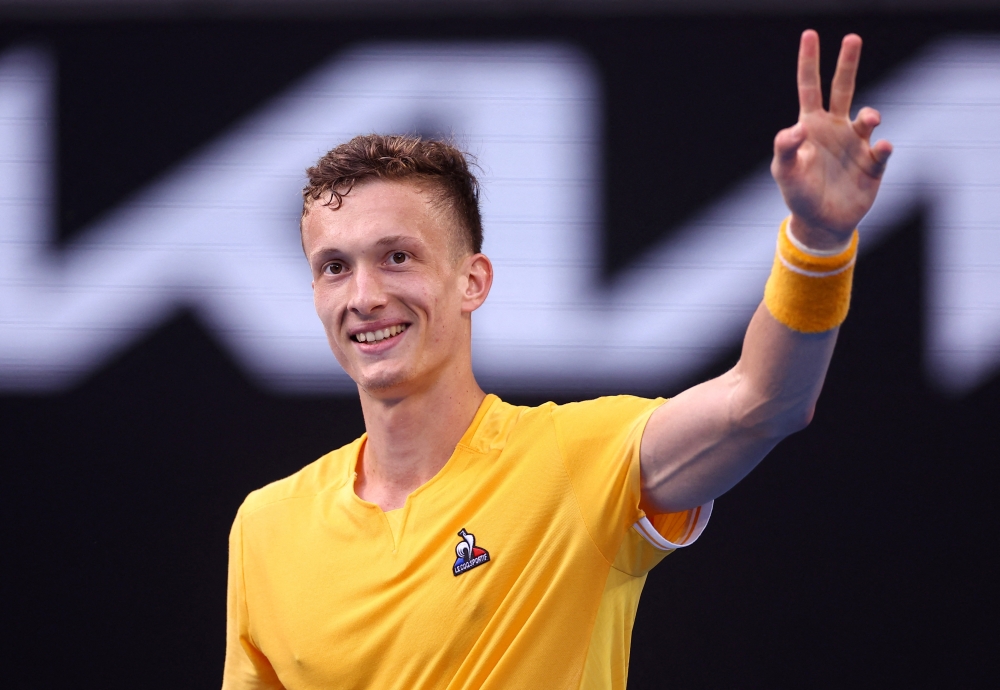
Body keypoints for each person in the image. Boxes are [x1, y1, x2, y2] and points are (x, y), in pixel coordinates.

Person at [222, 29, 892, 690]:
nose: (365, 296)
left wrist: (819, 240)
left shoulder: (576, 463)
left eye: (398, 257)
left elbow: (762, 404)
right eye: (335, 267)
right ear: (314, 293)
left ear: (472, 281)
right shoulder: (266, 527)